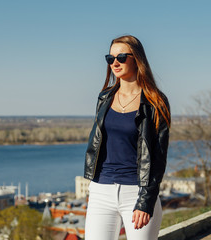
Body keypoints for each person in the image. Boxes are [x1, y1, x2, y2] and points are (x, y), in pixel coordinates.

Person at [84, 35, 171, 240]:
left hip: (137, 192)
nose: (115, 62)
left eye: (121, 57)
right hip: (101, 190)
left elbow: (158, 156)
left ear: (137, 58)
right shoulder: (105, 97)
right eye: (110, 58)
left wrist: (146, 200)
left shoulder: (156, 101)